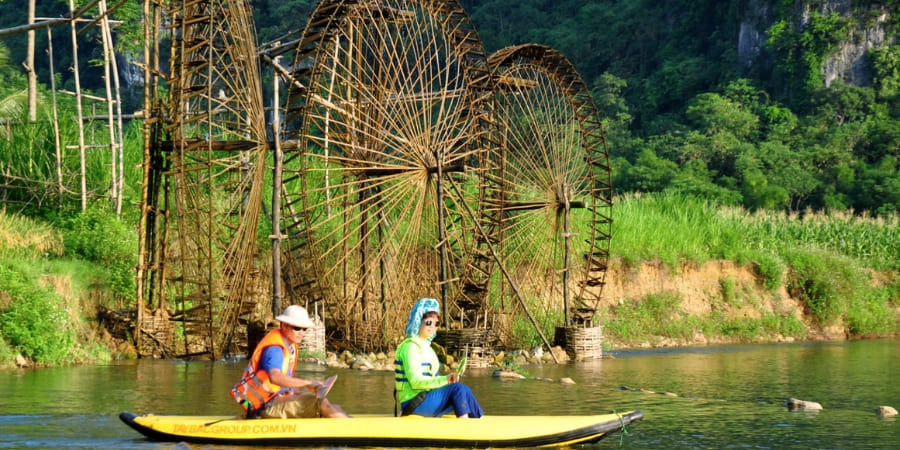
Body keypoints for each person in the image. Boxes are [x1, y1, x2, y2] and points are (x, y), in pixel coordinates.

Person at [230, 305, 349, 418]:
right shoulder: (275, 350)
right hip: (265, 406)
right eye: (297, 328)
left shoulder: (290, 347)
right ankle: (353, 433)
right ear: (284, 326)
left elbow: (282, 382)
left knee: (333, 406)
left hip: (272, 401)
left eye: (304, 329)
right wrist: (306, 383)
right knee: (322, 404)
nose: (301, 332)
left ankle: (349, 424)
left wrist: (299, 390)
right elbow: (275, 377)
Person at [393, 297, 484, 418]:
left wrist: (448, 379)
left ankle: (480, 420)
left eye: (436, 323)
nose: (432, 327)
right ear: (418, 321)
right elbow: (415, 382)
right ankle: (465, 427)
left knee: (464, 389)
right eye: (428, 322)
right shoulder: (411, 348)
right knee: (457, 389)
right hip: (413, 403)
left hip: (425, 398)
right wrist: (445, 380)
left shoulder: (427, 348)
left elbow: (433, 379)